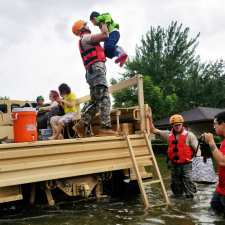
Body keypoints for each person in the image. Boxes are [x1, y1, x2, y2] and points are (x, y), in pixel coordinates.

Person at [71, 19, 116, 137]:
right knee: (104, 98)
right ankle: (105, 128)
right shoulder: (86, 38)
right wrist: (103, 23)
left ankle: (81, 125)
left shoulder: (84, 40)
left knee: (95, 102)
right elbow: (105, 35)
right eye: (85, 24)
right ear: (81, 28)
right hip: (96, 71)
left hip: (92, 72)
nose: (88, 25)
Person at [150, 114, 197, 198]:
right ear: (172, 125)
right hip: (174, 164)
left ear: (182, 124)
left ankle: (191, 200)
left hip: (186, 164)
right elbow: (153, 130)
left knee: (188, 181)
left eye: (179, 125)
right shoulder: (168, 134)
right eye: (175, 125)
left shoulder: (190, 135)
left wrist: (198, 161)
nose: (177, 127)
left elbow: (197, 149)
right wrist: (149, 117)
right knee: (175, 184)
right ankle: (178, 200)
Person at [203, 111, 225, 214]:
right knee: (212, 214)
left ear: (223, 124)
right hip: (220, 189)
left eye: (215, 124)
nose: (214, 127)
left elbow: (222, 161)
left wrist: (211, 142)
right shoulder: (223, 141)